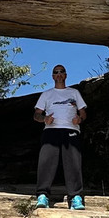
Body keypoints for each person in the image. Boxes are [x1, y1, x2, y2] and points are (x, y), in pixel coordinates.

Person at [33, 64, 87, 210]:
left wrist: (79, 120)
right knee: (46, 162)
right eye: (56, 72)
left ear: (66, 75)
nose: (59, 74)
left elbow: (83, 113)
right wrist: (44, 119)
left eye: (62, 72)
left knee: (73, 163)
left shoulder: (74, 93)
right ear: (52, 76)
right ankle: (42, 195)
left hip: (71, 129)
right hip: (51, 130)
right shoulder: (46, 94)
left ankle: (75, 197)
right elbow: (36, 114)